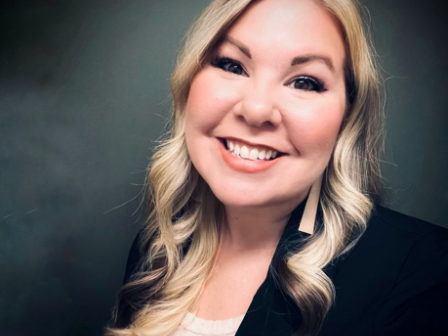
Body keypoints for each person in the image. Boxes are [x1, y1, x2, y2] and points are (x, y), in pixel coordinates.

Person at [106, 0, 448, 335]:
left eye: (304, 82)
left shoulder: (424, 270)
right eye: (232, 65)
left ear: (347, 117)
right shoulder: (154, 251)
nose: (256, 109)